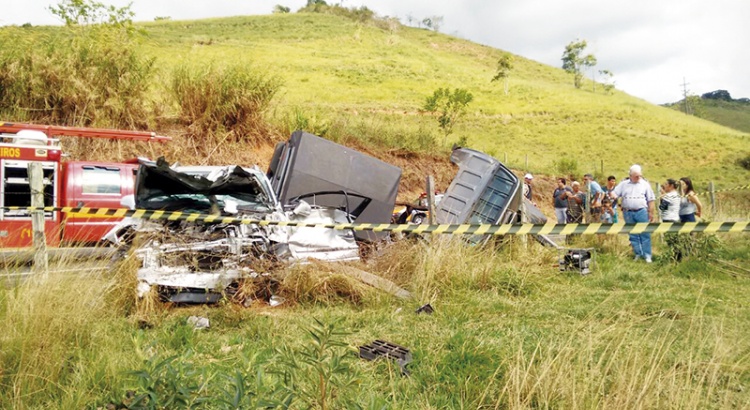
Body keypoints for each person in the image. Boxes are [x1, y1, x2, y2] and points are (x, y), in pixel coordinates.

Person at [612, 164, 656, 263]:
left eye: (639, 176)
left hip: (641, 211)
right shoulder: (623, 184)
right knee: (633, 234)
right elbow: (615, 194)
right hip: (628, 212)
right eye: (636, 176)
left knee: (645, 233)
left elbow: (651, 199)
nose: (638, 178)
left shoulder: (645, 184)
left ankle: (647, 255)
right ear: (630, 175)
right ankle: (638, 253)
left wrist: (651, 212)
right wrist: (611, 196)